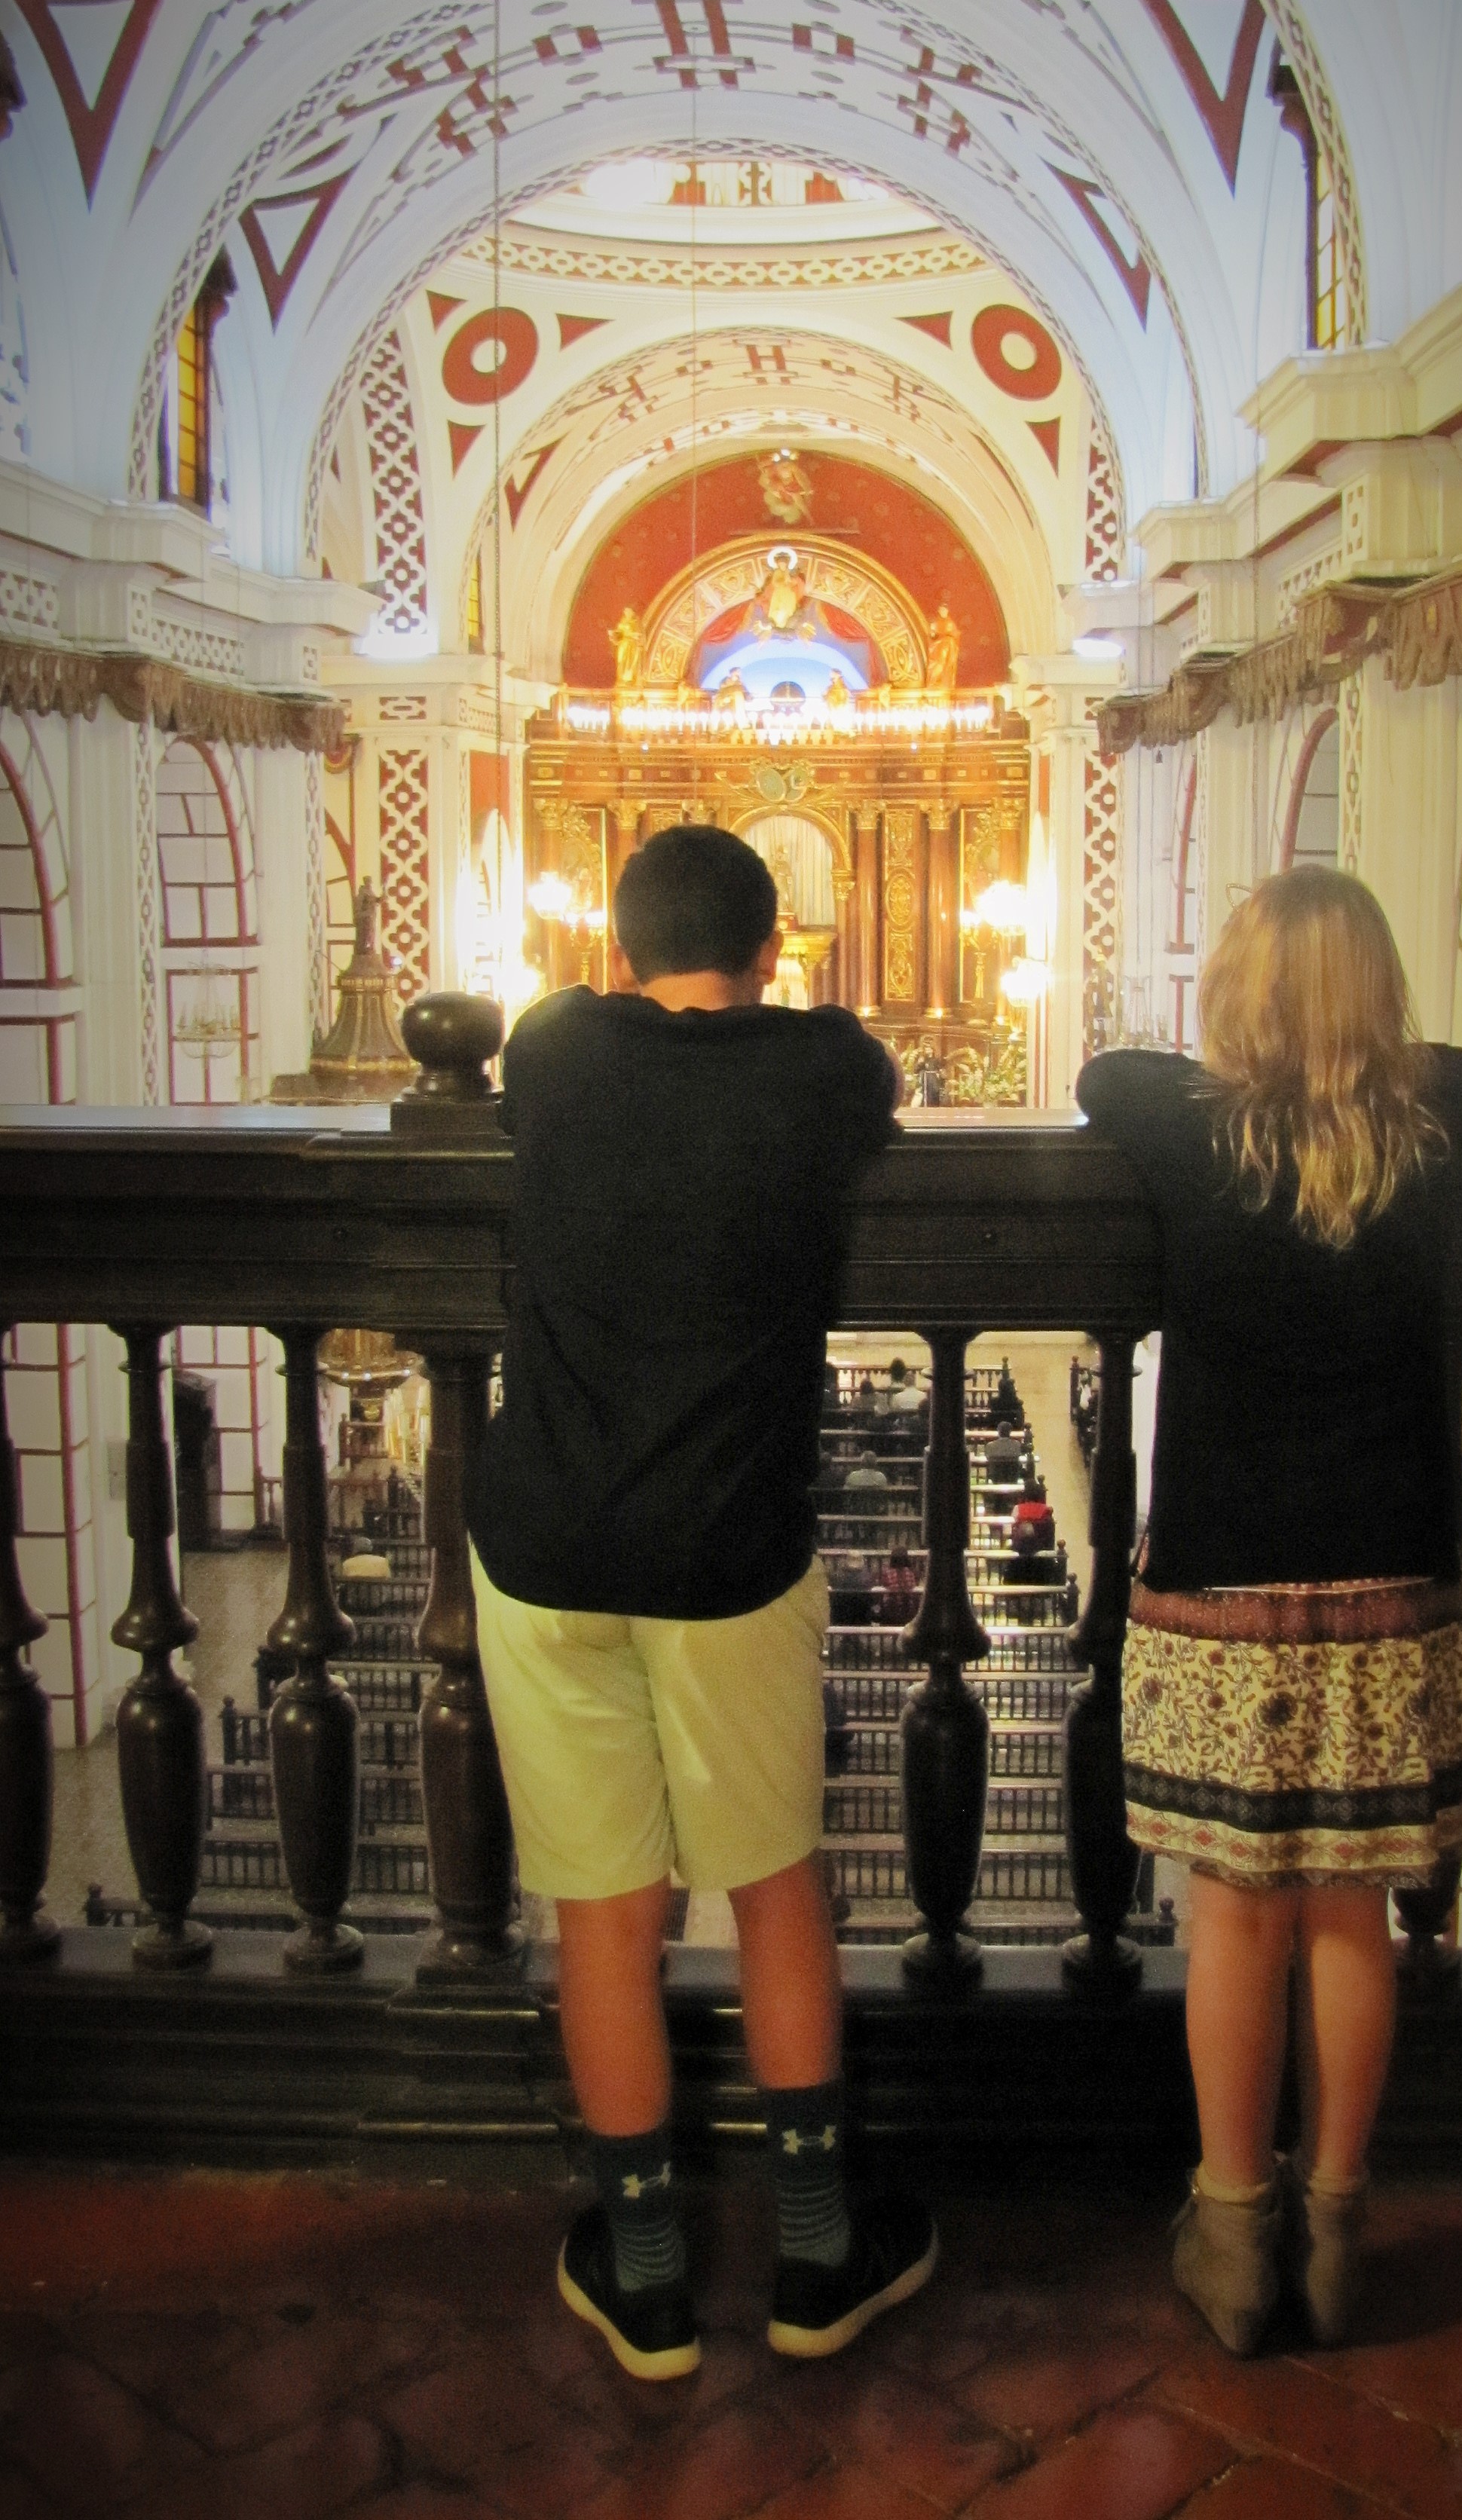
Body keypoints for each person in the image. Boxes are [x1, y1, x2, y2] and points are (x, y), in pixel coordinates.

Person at [469, 825, 936, 2380]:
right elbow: (850, 1063)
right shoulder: (823, 1077)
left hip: (547, 1544)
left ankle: (649, 2278)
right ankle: (816, 2260)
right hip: (729, 1545)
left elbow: (584, 1023)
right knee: (774, 1887)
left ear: (613, 949)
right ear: (773, 950)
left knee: (604, 1913)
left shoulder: (551, 1050)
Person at [1076, 868, 1462, 2359]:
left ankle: (1234, 2232)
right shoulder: (1443, 1127)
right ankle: (1337, 2226)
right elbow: (1451, 1067)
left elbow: (1100, 1068)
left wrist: (1243, 1057)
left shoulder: (1191, 1135)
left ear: (1238, 997)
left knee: (1236, 1918)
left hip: (1223, 1578)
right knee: (1354, 1915)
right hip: (1392, 1571)